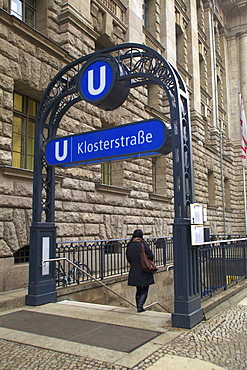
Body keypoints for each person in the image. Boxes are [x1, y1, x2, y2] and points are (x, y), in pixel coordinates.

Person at [126, 229, 155, 312]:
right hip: (144, 269)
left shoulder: (130, 245)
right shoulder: (143, 244)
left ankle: (138, 305)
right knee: (145, 289)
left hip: (134, 269)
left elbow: (128, 257)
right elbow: (151, 256)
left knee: (138, 289)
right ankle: (140, 306)